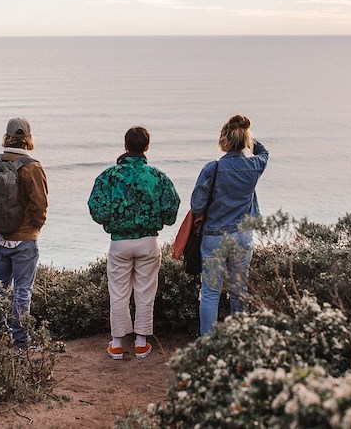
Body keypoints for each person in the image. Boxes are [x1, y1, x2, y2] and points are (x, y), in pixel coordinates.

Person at [88, 126, 180, 359]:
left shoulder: (109, 176)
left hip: (119, 242)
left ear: (125, 146)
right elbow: (171, 210)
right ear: (147, 147)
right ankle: (141, 342)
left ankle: (117, 343)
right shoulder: (158, 176)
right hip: (149, 241)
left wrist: (114, 220)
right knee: (145, 291)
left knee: (118, 292)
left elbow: (97, 209)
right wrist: (156, 217)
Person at [191, 114, 269, 336]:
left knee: (210, 293)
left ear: (224, 140)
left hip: (214, 238)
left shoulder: (212, 169)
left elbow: (197, 205)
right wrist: (248, 138)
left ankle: (208, 343)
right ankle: (239, 340)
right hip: (242, 238)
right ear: (244, 140)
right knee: (239, 291)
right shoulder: (254, 166)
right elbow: (264, 153)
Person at [0, 118, 48, 350]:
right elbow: (40, 205)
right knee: (22, 291)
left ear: (7, 136)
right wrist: (34, 229)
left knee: (0, 289)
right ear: (28, 139)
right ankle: (22, 342)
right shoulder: (32, 166)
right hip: (24, 240)